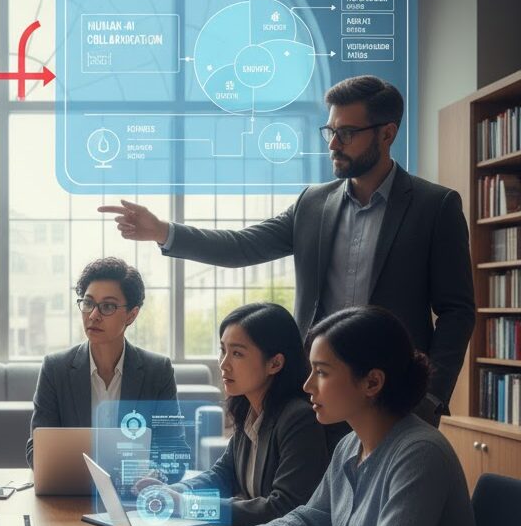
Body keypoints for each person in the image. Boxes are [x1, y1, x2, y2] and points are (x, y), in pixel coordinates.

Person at [100, 75, 474, 427]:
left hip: (393, 397)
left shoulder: (434, 206)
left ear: (387, 133)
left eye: (346, 133)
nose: (333, 143)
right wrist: (164, 232)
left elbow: (457, 312)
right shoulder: (313, 205)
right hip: (313, 391)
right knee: (310, 495)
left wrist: (431, 396)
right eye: (330, 131)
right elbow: (242, 247)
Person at [256, 306, 474, 526]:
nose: (307, 385)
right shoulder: (349, 446)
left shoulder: (420, 454)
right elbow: (310, 519)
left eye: (321, 372)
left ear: (372, 382)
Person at [134, 303, 329, 526]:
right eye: (223, 350)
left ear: (275, 363)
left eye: (237, 353)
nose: (224, 364)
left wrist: (188, 505)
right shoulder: (248, 409)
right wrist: (172, 491)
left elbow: (283, 508)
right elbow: (223, 475)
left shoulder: (298, 419)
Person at [26, 257, 178, 468]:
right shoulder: (55, 369)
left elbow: (173, 450)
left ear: (132, 315)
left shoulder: (158, 371)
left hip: (134, 492)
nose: (93, 315)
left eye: (108, 306)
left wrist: (155, 474)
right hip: (71, 493)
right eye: (88, 303)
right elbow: (36, 449)